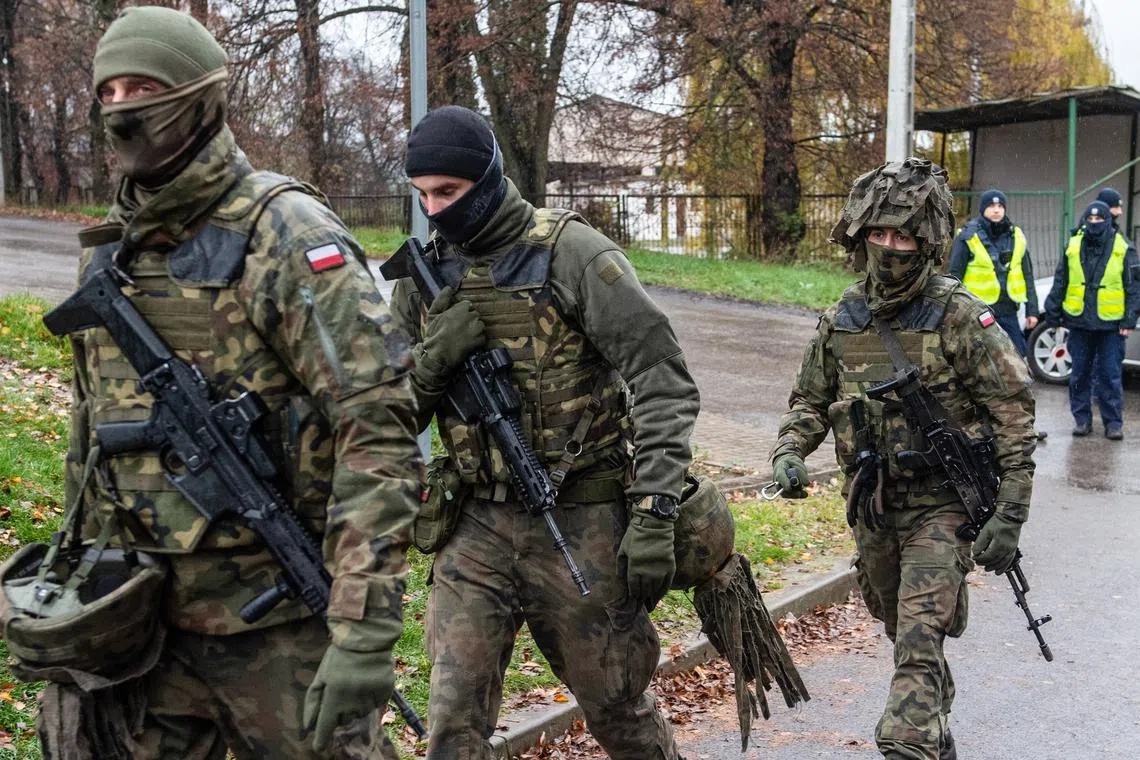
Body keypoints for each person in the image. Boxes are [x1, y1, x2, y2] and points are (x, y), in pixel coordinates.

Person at [23, 7, 421, 758]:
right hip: (138, 637)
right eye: (108, 93)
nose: (122, 110)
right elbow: (91, 434)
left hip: (281, 634)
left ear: (202, 96)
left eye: (143, 88)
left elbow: (380, 430)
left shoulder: (287, 234)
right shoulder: (110, 253)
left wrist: (364, 625)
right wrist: (74, 589)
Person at [387, 105, 701, 759]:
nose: (436, 209)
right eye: (422, 195)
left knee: (617, 709)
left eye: (448, 192)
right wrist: (433, 364)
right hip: (474, 523)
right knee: (453, 725)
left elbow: (663, 382)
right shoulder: (423, 280)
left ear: (489, 178)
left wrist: (651, 510)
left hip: (580, 519)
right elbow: (384, 417)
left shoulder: (572, 252)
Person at [770, 158, 1037, 760]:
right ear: (861, 235)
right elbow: (809, 401)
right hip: (872, 506)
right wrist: (788, 451)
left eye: (905, 236)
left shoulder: (959, 315)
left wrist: (1010, 513)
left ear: (928, 242)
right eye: (880, 235)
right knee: (901, 633)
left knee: (919, 641)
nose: (891, 248)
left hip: (943, 510)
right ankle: (933, 738)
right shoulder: (843, 318)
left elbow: (1015, 413)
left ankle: (907, 742)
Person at [1044, 200, 1140, 440]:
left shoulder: (1123, 246)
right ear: (1085, 221)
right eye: (1091, 219)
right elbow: (1060, 280)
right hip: (1079, 323)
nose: (1095, 223)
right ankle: (1082, 420)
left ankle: (1113, 423)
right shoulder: (1073, 245)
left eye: (1099, 219)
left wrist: (1129, 320)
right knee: (1079, 375)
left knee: (1110, 375)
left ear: (1108, 220)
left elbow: (1134, 287)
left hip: (1111, 325)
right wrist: (1053, 312)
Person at [948, 189, 1039, 357]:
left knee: (1016, 356)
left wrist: (1032, 310)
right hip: (978, 310)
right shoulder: (968, 236)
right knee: (980, 358)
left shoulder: (1016, 235)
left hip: (1008, 310)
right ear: (983, 209)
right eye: (991, 206)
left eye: (1000, 206)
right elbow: (954, 275)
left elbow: (1027, 275)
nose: (996, 210)